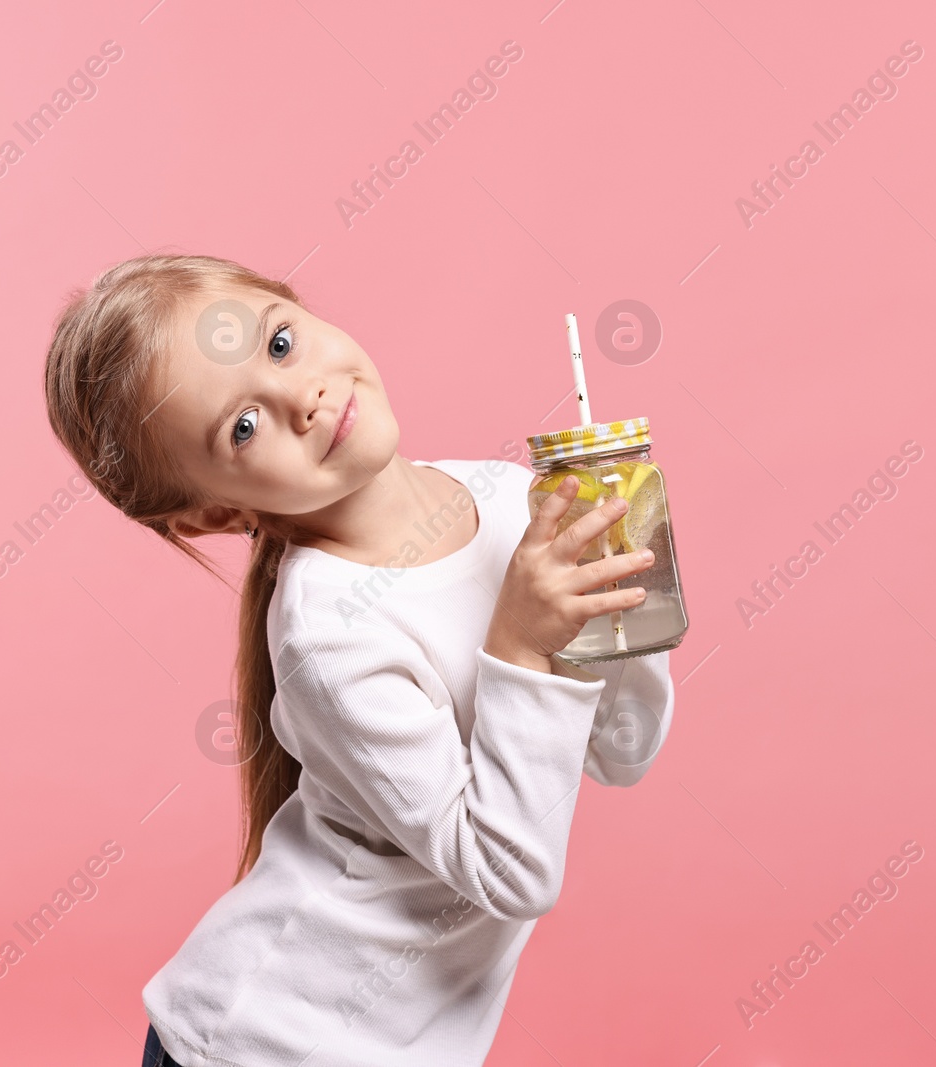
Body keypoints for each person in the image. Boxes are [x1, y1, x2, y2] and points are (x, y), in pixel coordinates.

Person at [42, 252, 675, 1066]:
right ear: (214, 511)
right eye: (242, 427)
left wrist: (630, 593)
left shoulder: (506, 497)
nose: (298, 396)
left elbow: (621, 753)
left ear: (300, 307)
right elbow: (510, 870)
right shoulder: (328, 634)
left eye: (278, 344)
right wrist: (520, 638)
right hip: (265, 1047)